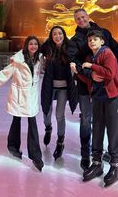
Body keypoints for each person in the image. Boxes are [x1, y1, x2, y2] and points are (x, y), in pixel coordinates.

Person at [68, 8, 118, 171]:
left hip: (106, 87)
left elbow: (116, 52)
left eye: (83, 17)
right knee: (87, 120)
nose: (81, 20)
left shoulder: (104, 32)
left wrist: (113, 73)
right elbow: (75, 63)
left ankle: (108, 155)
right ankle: (88, 154)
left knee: (107, 122)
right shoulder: (74, 40)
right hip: (87, 86)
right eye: (77, 18)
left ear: (88, 16)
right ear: (75, 21)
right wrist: (91, 74)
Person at [0, 36, 44, 171]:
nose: (33, 46)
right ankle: (13, 147)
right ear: (26, 45)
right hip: (19, 96)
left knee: (32, 124)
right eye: (31, 44)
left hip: (31, 97)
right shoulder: (17, 61)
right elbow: (3, 75)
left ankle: (36, 156)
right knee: (16, 120)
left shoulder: (40, 59)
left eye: (35, 44)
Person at [75, 30, 118, 187]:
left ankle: (116, 166)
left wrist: (91, 66)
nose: (92, 42)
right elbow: (92, 79)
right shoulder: (92, 57)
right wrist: (78, 73)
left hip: (111, 99)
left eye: (95, 39)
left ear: (102, 41)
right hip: (97, 98)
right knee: (97, 129)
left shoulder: (107, 53)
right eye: (90, 40)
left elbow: (110, 73)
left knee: (113, 130)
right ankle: (96, 163)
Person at [41, 26, 78, 160]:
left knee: (59, 115)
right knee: (46, 112)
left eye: (60, 33)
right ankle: (48, 128)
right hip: (49, 86)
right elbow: (31, 51)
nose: (57, 36)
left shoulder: (70, 47)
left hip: (63, 87)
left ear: (64, 34)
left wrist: (76, 65)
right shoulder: (47, 47)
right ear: (51, 36)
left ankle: (60, 142)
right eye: (55, 34)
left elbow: (78, 58)